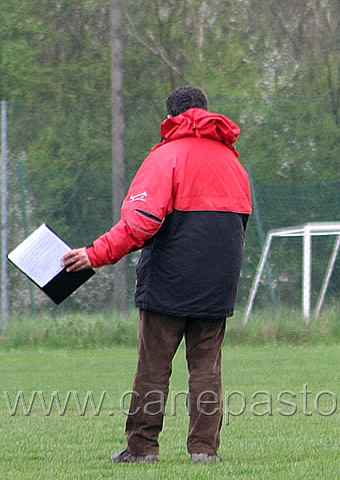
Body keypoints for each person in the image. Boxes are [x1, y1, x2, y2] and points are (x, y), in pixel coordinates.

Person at [63, 85, 252, 464]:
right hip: (218, 284)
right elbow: (239, 226)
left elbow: (140, 223)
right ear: (205, 113)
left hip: (169, 282)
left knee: (153, 367)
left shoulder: (166, 156)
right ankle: (204, 450)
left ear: (170, 118)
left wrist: (94, 254)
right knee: (206, 369)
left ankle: (142, 448)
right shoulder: (234, 164)